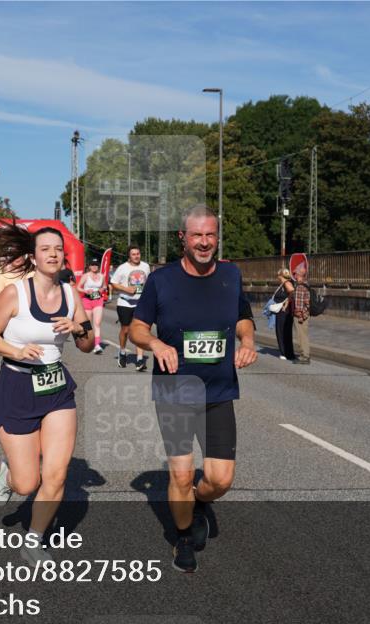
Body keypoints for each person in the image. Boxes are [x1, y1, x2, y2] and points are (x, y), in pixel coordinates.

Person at [130, 205, 258, 573]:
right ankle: (183, 535)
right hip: (175, 390)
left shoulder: (231, 275)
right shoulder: (162, 279)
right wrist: (156, 344)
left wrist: (247, 341)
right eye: (197, 235)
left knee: (220, 480)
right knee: (182, 475)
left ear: (217, 237)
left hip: (218, 390)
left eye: (210, 235)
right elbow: (138, 328)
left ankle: (198, 502)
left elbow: (243, 316)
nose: (204, 242)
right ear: (182, 239)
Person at [0, 222, 94, 564]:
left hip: (57, 387)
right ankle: (10, 470)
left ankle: (34, 538)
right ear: (34, 256)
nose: (53, 254)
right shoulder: (15, 293)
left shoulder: (72, 295)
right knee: (27, 484)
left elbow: (88, 346)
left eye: (58, 248)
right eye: (45, 249)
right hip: (17, 386)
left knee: (57, 474)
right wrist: (15, 351)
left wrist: (78, 328)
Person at [110, 246, 150, 371]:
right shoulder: (122, 268)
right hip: (125, 303)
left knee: (141, 330)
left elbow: (148, 281)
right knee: (126, 330)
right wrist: (126, 289)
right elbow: (113, 283)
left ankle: (139, 360)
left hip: (140, 303)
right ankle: (122, 352)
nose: (136, 256)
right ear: (129, 256)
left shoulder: (145, 266)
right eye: (133, 254)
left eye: (138, 253)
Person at [77, 258, 107, 354]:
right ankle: (89, 342)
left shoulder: (101, 276)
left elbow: (105, 286)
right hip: (87, 300)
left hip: (98, 300)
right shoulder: (86, 276)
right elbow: (78, 287)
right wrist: (86, 291)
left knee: (97, 323)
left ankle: (97, 345)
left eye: (96, 265)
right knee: (88, 324)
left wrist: (101, 290)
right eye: (92, 265)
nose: (94, 266)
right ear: (89, 266)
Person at [268, 268, 296, 360]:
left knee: (282, 331)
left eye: (278, 275)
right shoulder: (284, 284)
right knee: (285, 331)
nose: (277, 277)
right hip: (283, 311)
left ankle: (285, 353)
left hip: (284, 311)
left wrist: (286, 303)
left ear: (281, 276)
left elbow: (292, 292)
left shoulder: (286, 283)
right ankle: (288, 352)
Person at [291, 260, 311, 365]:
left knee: (301, 336)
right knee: (304, 335)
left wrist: (300, 315)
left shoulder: (299, 287)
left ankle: (304, 356)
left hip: (300, 316)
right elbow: (307, 303)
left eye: (296, 274)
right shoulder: (306, 285)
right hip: (305, 315)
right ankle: (305, 355)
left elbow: (301, 304)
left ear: (300, 275)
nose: (295, 276)